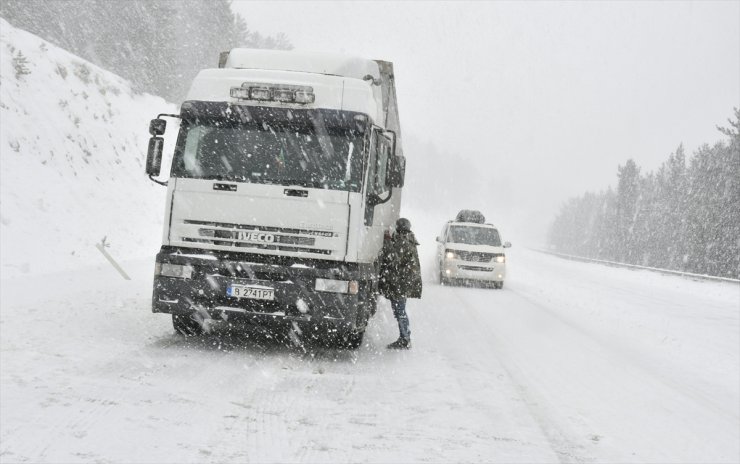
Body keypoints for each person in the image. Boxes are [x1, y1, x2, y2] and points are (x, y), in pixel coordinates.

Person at [379, 217, 423, 349]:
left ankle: (405, 339)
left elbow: (393, 258)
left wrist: (387, 242)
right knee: (400, 310)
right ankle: (405, 337)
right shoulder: (408, 239)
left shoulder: (403, 241)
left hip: (401, 283)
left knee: (400, 311)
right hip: (403, 282)